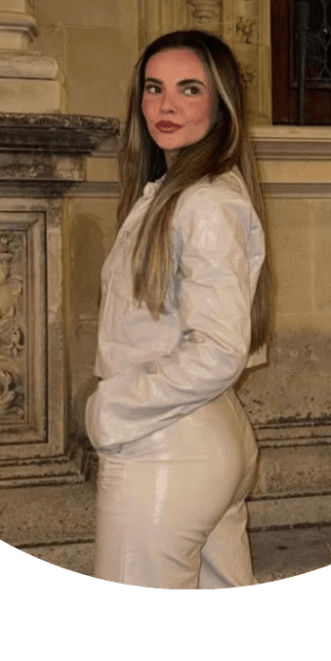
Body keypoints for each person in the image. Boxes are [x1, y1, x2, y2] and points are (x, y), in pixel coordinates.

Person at [84, 29, 272, 589]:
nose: (166, 105)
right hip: (200, 436)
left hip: (166, 448)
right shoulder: (179, 194)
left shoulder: (205, 202)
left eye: (189, 89)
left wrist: (112, 406)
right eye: (154, 88)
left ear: (221, 104)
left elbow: (218, 351)